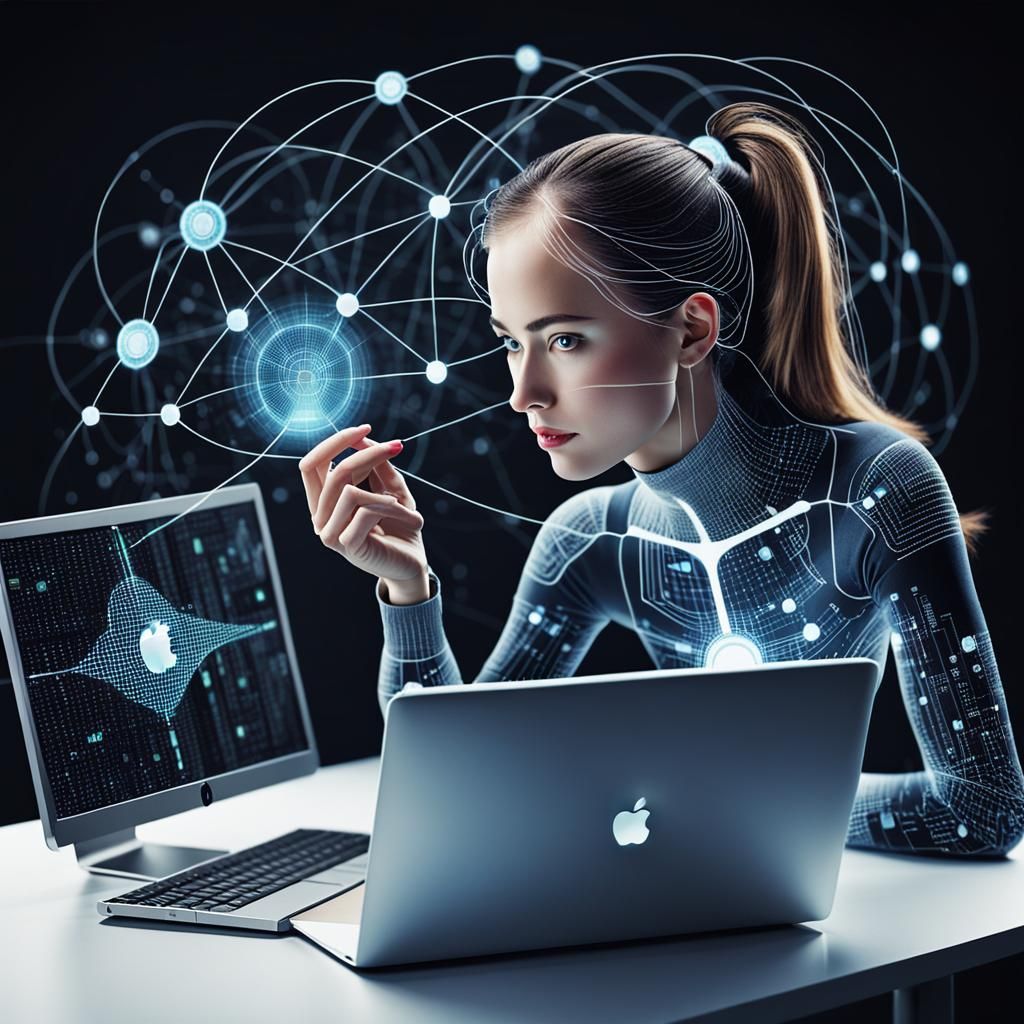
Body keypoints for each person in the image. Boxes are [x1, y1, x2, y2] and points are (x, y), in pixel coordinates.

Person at [298, 102, 1024, 856]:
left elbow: (983, 805)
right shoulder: (590, 539)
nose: (524, 392)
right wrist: (409, 591)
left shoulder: (876, 489)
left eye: (567, 339)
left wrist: (710, 803)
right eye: (513, 343)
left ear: (693, 330)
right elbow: (455, 787)